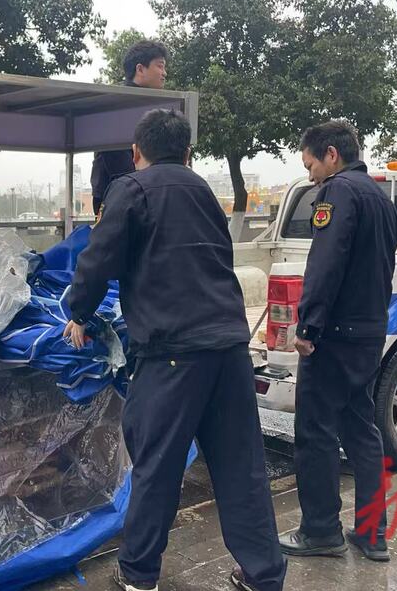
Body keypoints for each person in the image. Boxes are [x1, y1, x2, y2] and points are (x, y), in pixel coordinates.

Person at [64, 109, 286, 591]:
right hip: (229, 348)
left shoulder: (131, 189)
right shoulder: (203, 191)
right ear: (187, 153)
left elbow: (97, 260)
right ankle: (263, 574)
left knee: (157, 466)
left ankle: (139, 574)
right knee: (241, 467)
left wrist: (78, 312)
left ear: (136, 152)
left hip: (172, 354)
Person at [279, 120, 397, 562]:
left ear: (331, 154)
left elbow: (325, 263)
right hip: (369, 332)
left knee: (315, 433)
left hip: (333, 336)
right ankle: (372, 533)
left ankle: (320, 531)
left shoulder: (338, 192)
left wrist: (308, 325)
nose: (310, 176)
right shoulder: (381, 198)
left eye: (310, 165)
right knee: (362, 431)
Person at [90, 39, 169, 219]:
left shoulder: (148, 105)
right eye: (160, 66)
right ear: (140, 69)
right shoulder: (117, 104)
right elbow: (115, 157)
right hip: (120, 198)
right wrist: (143, 188)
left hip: (136, 193)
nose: (164, 73)